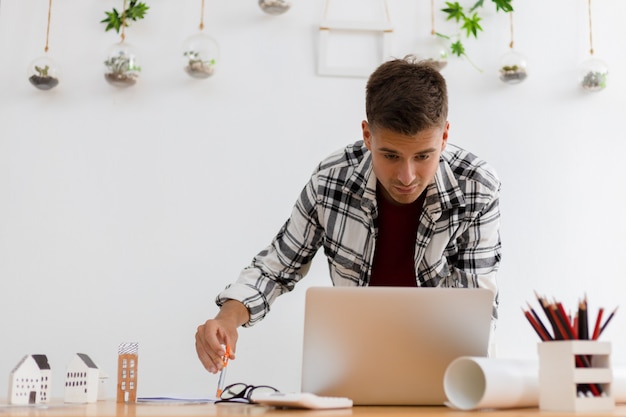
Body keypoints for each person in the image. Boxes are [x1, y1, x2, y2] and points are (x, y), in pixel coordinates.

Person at [195, 55, 502, 374]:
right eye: (390, 155)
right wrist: (227, 318)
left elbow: (475, 308)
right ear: (368, 136)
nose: (407, 176)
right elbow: (277, 267)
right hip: (357, 369)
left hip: (448, 371)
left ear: (445, 136)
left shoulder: (476, 188)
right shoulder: (331, 181)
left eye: (423, 156)